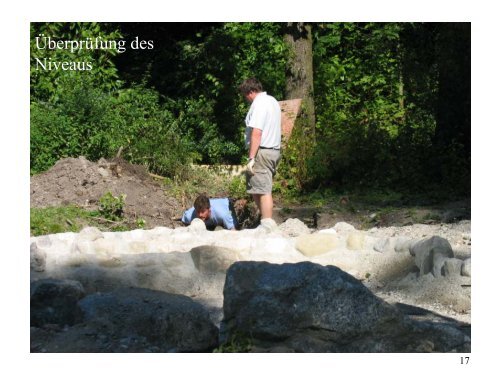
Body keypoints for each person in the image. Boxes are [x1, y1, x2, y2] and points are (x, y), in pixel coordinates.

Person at [239, 78, 281, 232]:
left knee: (262, 190)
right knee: (256, 188)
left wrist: (251, 158)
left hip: (262, 151)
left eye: (245, 96)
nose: (246, 100)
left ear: (250, 92)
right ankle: (265, 221)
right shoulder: (272, 101)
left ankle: (267, 225)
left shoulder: (259, 104)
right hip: (273, 150)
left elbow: (257, 132)